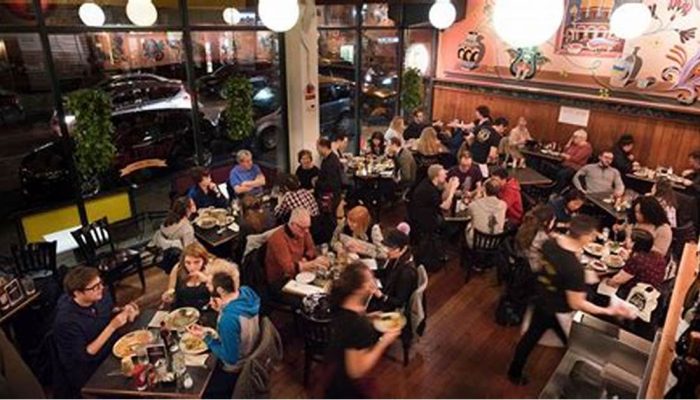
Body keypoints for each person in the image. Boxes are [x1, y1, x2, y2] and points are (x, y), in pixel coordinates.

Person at [507, 215, 635, 385]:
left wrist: (584, 277)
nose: (593, 238)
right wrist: (609, 310)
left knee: (532, 337)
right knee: (573, 342)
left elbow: (555, 271)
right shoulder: (574, 269)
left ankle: (514, 372)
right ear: (583, 236)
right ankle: (574, 377)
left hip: (542, 297)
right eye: (592, 235)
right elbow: (577, 303)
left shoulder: (550, 243)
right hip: (559, 310)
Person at [54, 267, 140, 397]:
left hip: (113, 350)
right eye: (94, 287)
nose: (101, 288)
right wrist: (112, 326)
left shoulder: (101, 295)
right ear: (77, 293)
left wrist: (124, 311)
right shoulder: (66, 321)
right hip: (91, 369)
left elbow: (107, 312)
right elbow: (85, 355)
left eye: (100, 283)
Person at [324, 261, 401, 398]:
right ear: (359, 289)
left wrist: (369, 317)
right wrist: (384, 341)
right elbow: (356, 371)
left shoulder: (342, 303)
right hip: (346, 388)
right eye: (370, 280)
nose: (373, 282)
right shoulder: (359, 325)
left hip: (334, 368)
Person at [187, 271, 260, 398]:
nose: (207, 286)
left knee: (194, 381)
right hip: (250, 349)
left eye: (210, 285)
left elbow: (230, 358)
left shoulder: (228, 319)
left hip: (235, 368)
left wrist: (206, 338)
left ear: (220, 290)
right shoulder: (246, 292)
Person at [265, 208, 329, 296]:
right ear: (292, 224)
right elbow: (289, 268)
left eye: (308, 227)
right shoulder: (277, 238)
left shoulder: (304, 231)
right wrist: (312, 264)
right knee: (313, 296)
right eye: (303, 228)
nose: (307, 231)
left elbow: (311, 249)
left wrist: (306, 259)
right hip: (280, 281)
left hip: (298, 274)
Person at [605, 229, 667, 298]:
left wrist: (606, 282)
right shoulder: (658, 256)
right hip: (653, 293)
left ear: (634, 243)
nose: (627, 240)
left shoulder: (636, 259)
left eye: (629, 239)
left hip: (635, 294)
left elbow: (617, 280)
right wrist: (628, 258)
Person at [409, 164, 460, 241]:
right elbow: (446, 207)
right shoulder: (430, 191)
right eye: (443, 175)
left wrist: (448, 185)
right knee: (454, 226)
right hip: (426, 219)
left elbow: (440, 195)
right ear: (436, 177)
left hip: (418, 214)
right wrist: (452, 189)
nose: (446, 176)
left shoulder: (428, 181)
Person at [370, 228, 417, 312]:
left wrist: (380, 295)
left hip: (390, 306)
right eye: (387, 247)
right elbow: (386, 272)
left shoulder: (406, 273)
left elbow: (399, 302)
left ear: (404, 248)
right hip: (387, 292)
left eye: (391, 248)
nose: (387, 251)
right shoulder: (396, 258)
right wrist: (369, 272)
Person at [150, 196, 197, 273]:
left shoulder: (170, 219)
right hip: (175, 257)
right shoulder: (187, 228)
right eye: (193, 204)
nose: (195, 205)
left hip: (163, 250)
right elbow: (188, 250)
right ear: (187, 209)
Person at [162, 242, 212, 311]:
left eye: (197, 262)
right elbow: (171, 291)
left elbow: (217, 295)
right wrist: (169, 297)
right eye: (188, 263)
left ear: (204, 261)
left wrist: (207, 280)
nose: (192, 267)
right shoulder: (178, 269)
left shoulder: (211, 270)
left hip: (204, 310)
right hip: (182, 309)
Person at [316, 137, 345, 242]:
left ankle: (331, 240)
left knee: (329, 220)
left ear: (324, 147)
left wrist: (317, 183)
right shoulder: (331, 158)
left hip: (329, 195)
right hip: (332, 194)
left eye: (318, 147)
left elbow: (331, 183)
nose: (317, 150)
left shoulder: (330, 162)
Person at [465, 179, 507, 247]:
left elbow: (468, 214)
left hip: (477, 243)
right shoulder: (503, 205)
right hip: (495, 243)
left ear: (484, 190)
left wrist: (477, 197)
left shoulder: (474, 205)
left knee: (468, 225)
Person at [514, 205, 555, 272]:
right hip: (533, 265)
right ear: (546, 222)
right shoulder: (542, 237)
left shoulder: (526, 225)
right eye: (553, 220)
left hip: (522, 257)